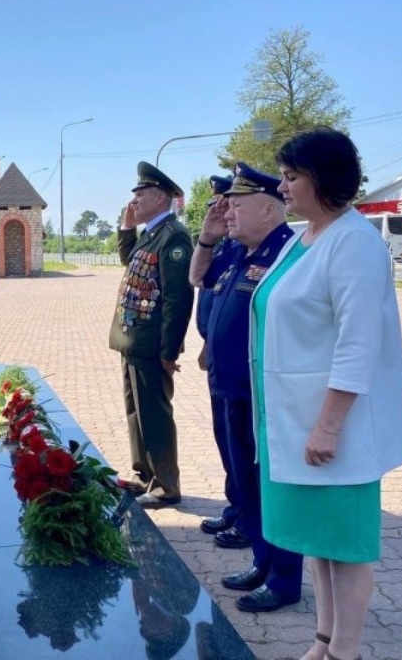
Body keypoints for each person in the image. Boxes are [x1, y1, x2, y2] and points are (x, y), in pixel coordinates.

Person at [254, 128, 402, 660]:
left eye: (292, 176)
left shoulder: (355, 241)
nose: (282, 186)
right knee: (319, 542)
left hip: (333, 424)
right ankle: (323, 640)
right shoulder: (307, 236)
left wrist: (328, 425)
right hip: (296, 417)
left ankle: (346, 652)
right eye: (283, 175)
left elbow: (357, 343)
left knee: (346, 545)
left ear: (325, 180)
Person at [189, 163, 303, 613]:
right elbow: (198, 277)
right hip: (229, 388)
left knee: (269, 486)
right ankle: (262, 561)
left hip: (262, 394)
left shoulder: (287, 253)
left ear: (270, 209)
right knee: (246, 483)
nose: (228, 212)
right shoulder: (239, 251)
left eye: (237, 205)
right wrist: (208, 235)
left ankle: (284, 579)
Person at [109, 161, 194, 508]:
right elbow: (132, 262)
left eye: (140, 196)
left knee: (155, 414)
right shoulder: (151, 233)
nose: (134, 203)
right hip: (133, 339)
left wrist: (169, 351)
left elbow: (178, 298)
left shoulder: (174, 236)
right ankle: (144, 473)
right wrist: (126, 229)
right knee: (136, 411)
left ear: (160, 198)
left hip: (152, 344)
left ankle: (166, 485)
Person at [189, 174, 249, 547]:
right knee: (225, 438)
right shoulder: (225, 247)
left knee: (241, 444)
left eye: (225, 203)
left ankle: (247, 518)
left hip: (241, 366)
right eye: (214, 204)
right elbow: (197, 278)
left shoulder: (249, 248)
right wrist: (207, 237)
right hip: (218, 359)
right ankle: (235, 508)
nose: (218, 210)